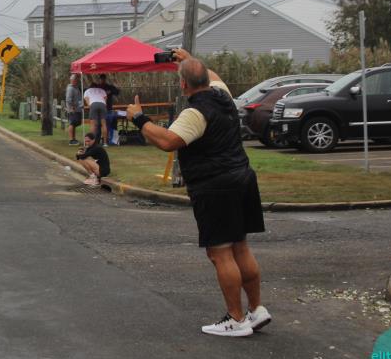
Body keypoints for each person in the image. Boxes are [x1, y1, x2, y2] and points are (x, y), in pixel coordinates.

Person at [125, 49, 269, 338]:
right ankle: (256, 309)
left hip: (215, 185)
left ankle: (236, 319)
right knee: (240, 247)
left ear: (183, 84)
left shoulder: (195, 113)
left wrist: (139, 119)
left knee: (220, 252)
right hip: (242, 177)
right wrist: (189, 59)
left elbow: (168, 141)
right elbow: (212, 76)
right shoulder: (224, 96)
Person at [97, 74, 122, 145]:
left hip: (108, 108)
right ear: (99, 79)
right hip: (99, 108)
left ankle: (111, 139)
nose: (102, 80)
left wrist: (111, 91)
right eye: (101, 79)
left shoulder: (109, 87)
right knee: (99, 125)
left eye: (103, 79)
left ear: (105, 79)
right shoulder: (97, 87)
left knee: (109, 123)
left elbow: (117, 92)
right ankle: (99, 139)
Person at [83, 79, 108, 145]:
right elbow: (105, 100)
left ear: (90, 86)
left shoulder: (87, 91)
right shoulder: (102, 90)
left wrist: (91, 107)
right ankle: (105, 143)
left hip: (93, 104)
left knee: (93, 125)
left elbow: (87, 101)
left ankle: (92, 143)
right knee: (104, 124)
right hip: (102, 104)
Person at [65, 74, 83, 145]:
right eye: (75, 80)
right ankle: (71, 140)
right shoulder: (70, 88)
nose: (77, 81)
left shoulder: (76, 88)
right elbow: (68, 99)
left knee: (75, 123)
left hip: (78, 108)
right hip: (73, 109)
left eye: (77, 80)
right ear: (72, 80)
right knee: (72, 123)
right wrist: (72, 107)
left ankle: (74, 138)